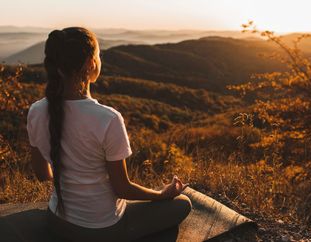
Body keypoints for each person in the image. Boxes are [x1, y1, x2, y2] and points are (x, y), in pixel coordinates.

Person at [26, 27, 192, 242]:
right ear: (90, 63)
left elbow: (42, 174)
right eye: (98, 55)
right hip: (101, 230)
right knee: (183, 204)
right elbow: (122, 188)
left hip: (56, 221)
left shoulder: (36, 111)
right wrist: (162, 194)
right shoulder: (108, 118)